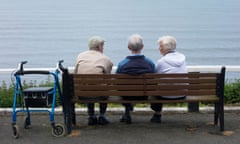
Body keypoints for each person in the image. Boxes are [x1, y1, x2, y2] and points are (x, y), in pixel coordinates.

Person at [116, 34, 155, 124]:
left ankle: (127, 113)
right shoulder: (149, 63)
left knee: (125, 90)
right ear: (142, 47)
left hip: (126, 95)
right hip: (144, 94)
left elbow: (117, 81)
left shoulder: (122, 64)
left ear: (128, 47)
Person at [74, 36, 113, 125]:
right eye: (102, 46)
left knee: (88, 86)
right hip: (100, 95)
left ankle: (91, 116)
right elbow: (108, 78)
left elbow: (76, 74)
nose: (103, 48)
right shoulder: (105, 59)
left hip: (83, 94)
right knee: (103, 88)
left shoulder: (80, 56)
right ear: (99, 46)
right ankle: (102, 115)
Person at [150, 36, 187, 123]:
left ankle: (157, 114)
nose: (159, 49)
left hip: (165, 95)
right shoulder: (183, 59)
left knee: (156, 88)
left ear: (163, 49)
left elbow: (156, 78)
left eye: (160, 46)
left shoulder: (161, 61)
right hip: (182, 93)